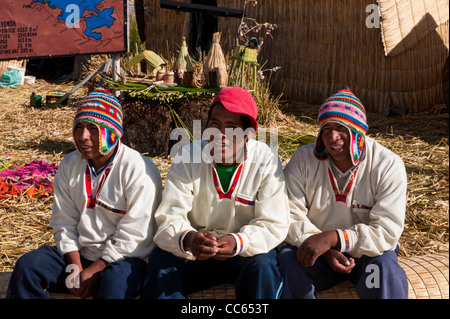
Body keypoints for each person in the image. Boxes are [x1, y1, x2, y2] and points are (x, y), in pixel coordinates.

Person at [7, 87, 162, 299]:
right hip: (80, 256)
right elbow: (64, 222)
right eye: (78, 128)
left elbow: (136, 235)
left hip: (123, 260)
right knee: (29, 267)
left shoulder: (139, 170)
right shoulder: (70, 164)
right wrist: (75, 266)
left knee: (114, 286)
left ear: (113, 131)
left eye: (93, 128)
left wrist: (97, 268)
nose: (83, 137)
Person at [141, 86, 289, 299]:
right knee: (161, 260)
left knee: (263, 265)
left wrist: (239, 241)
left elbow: (273, 223)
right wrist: (189, 239)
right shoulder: (187, 156)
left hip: (245, 254)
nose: (221, 135)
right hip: (195, 254)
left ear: (248, 134)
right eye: (214, 124)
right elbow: (169, 218)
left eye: (232, 127)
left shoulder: (265, 159)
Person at [278, 88, 409, 299]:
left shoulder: (387, 165)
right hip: (317, 253)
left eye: (342, 128)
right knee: (290, 261)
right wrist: (322, 246)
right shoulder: (304, 160)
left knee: (383, 270)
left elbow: (386, 231)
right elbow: (287, 213)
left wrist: (334, 238)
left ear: (358, 132)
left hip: (367, 257)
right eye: (326, 129)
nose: (332, 137)